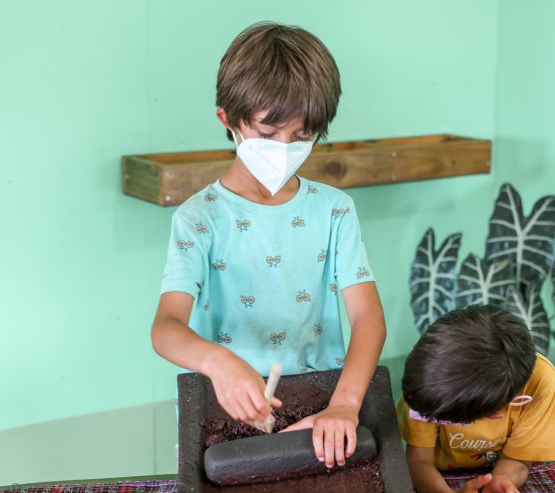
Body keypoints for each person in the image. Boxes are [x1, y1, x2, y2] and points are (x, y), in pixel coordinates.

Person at [151, 22, 385, 468]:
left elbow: (368, 317)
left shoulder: (334, 210)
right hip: (225, 408)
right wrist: (217, 362)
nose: (284, 148)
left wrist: (345, 405)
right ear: (229, 120)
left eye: (301, 137)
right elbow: (166, 327)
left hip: (323, 403)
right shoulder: (199, 220)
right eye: (268, 133)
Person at [397, 304, 555, 493]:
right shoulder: (431, 380)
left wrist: (501, 482)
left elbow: (518, 458)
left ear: (497, 412)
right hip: (437, 480)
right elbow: (418, 461)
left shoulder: (541, 383)